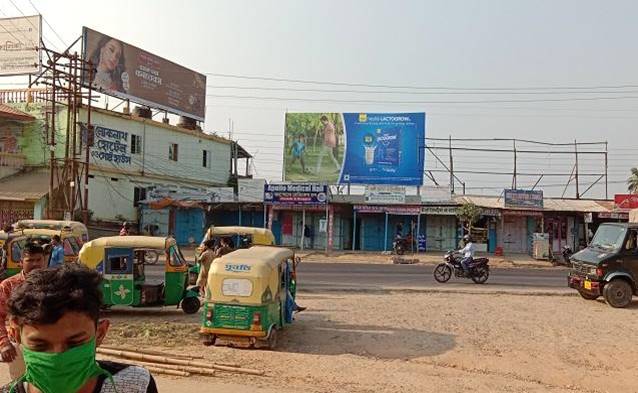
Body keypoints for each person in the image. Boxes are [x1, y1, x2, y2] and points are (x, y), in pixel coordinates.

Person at [0, 263, 158, 393]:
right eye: (40, 345)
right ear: (16, 334)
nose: (58, 359)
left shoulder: (135, 385)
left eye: (75, 343)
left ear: (100, 333)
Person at [0, 243, 47, 381]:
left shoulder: (53, 283)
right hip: (19, 344)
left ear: (44, 260)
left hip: (49, 345)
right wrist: (4, 343)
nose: (35, 264)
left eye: (38, 260)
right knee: (21, 383)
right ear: (21, 262)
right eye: (30, 260)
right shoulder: (8, 286)